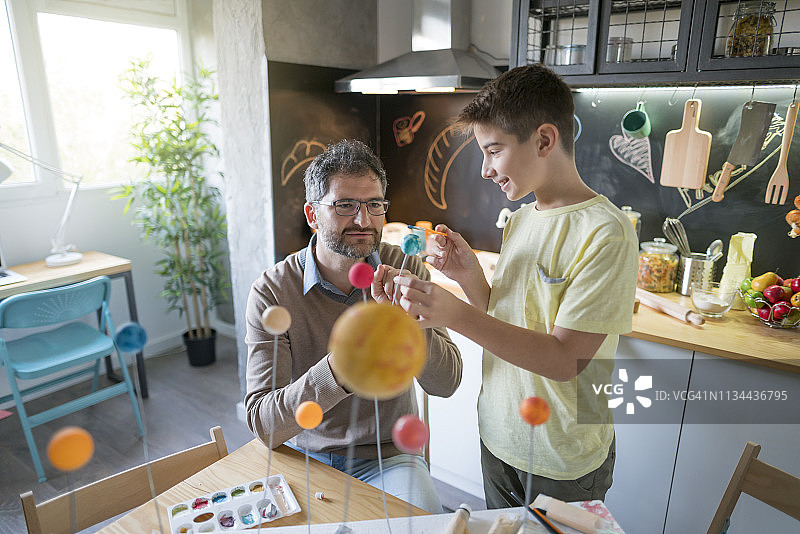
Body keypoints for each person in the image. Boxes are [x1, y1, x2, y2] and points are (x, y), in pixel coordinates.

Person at [392, 65, 638, 508]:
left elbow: (566, 360)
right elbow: (508, 321)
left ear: (544, 140)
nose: (485, 169)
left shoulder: (607, 232)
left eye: (493, 151)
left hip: (562, 457)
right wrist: (469, 277)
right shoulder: (522, 219)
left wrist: (454, 314)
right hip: (499, 436)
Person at [244, 139, 462, 514]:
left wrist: (414, 322)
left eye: (374, 205)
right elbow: (264, 425)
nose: (363, 221)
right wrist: (340, 370)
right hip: (303, 456)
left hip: (389, 458)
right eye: (344, 205)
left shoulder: (405, 268)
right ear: (312, 214)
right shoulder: (273, 291)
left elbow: (446, 384)